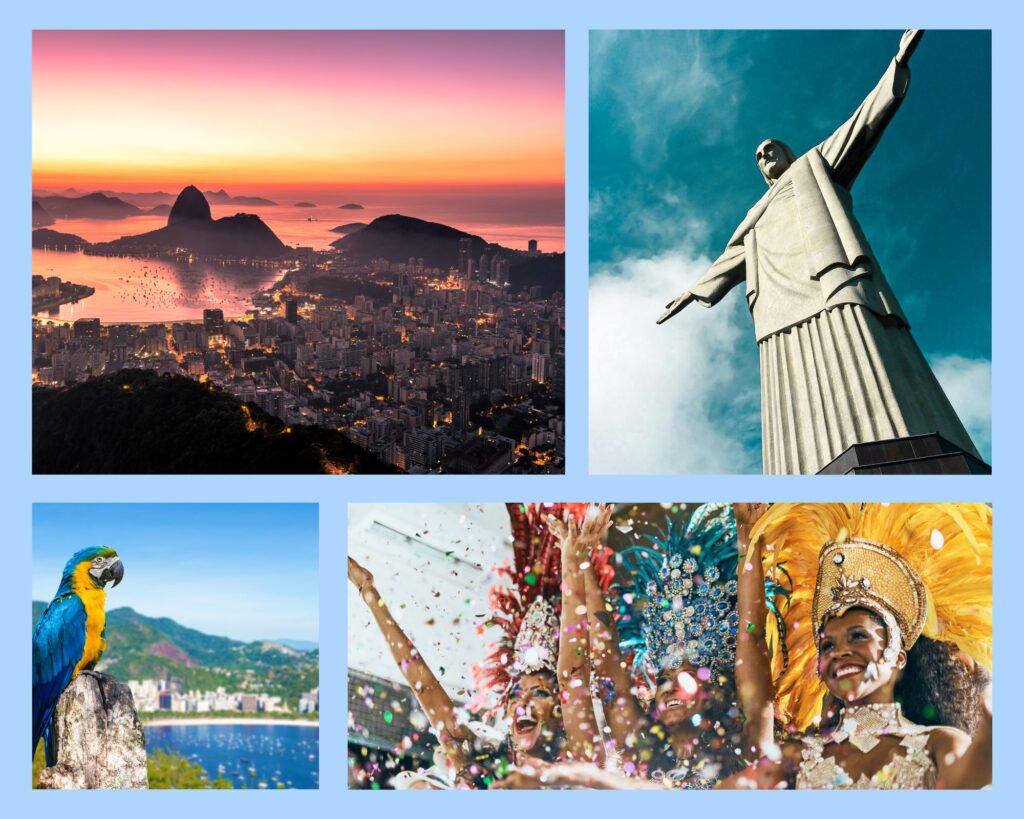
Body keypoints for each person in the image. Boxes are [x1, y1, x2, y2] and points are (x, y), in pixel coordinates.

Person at [657, 30, 980, 474]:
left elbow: (862, 124)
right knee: (790, 382)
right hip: (776, 305)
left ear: (787, 153)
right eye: (759, 155)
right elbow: (730, 259)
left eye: (772, 148)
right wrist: (692, 292)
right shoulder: (754, 213)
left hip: (829, 276)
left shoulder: (814, 166)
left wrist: (897, 64)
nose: (766, 155)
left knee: (858, 346)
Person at [718, 502, 992, 789]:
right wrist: (747, 536)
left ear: (899, 656)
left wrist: (991, 727)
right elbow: (752, 633)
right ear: (820, 669)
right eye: (827, 646)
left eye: (858, 636)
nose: (839, 651)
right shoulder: (797, 760)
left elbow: (970, 784)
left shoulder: (939, 743)